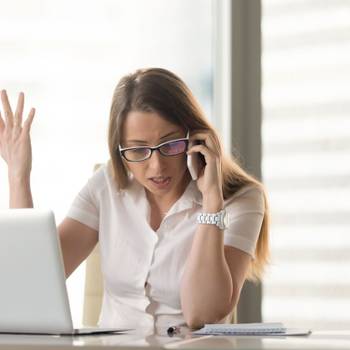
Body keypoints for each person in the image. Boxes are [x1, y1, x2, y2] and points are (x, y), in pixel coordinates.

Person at [0, 68, 269, 330]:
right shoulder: (106, 186)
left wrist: (211, 201)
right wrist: (17, 176)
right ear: (119, 151)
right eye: (138, 150)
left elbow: (202, 313)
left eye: (170, 144)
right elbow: (34, 283)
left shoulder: (241, 199)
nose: (157, 167)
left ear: (195, 139)